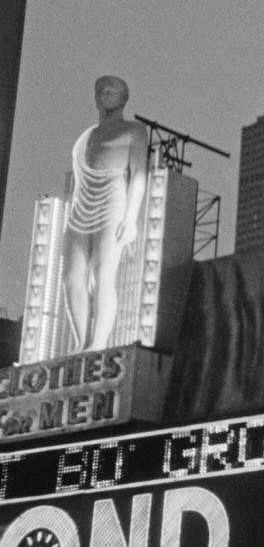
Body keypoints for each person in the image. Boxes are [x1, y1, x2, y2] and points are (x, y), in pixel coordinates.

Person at [63, 76, 148, 352]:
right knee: (72, 276)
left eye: (112, 91)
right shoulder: (84, 139)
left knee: (103, 274)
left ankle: (98, 342)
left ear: (123, 99)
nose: (105, 94)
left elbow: (139, 175)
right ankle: (81, 341)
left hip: (112, 203)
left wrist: (130, 218)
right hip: (80, 209)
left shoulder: (133, 130)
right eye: (101, 90)